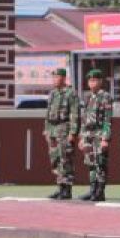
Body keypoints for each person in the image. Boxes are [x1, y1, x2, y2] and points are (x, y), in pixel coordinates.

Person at [43, 68, 80, 200]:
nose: (54, 80)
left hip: (64, 129)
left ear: (64, 78)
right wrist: (46, 130)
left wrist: (73, 133)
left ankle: (67, 189)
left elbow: (75, 114)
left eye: (57, 77)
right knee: (55, 159)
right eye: (53, 77)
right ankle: (60, 187)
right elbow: (48, 113)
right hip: (53, 130)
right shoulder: (53, 94)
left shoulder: (71, 93)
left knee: (65, 159)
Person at [78, 68, 113, 202]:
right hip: (88, 134)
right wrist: (82, 137)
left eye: (94, 80)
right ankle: (92, 189)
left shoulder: (105, 97)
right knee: (91, 163)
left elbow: (107, 119)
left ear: (100, 81)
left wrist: (105, 138)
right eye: (90, 80)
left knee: (100, 163)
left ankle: (100, 191)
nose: (92, 83)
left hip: (99, 133)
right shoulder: (88, 97)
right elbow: (84, 119)